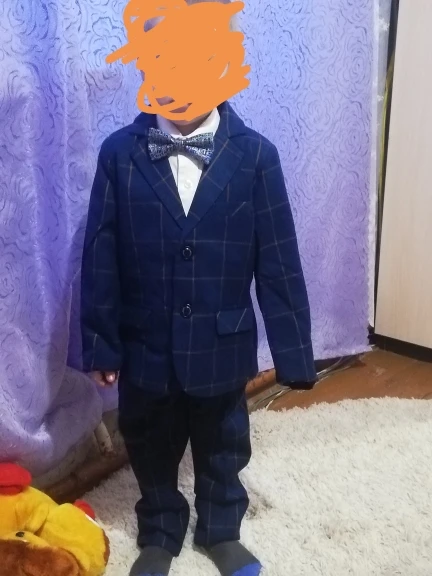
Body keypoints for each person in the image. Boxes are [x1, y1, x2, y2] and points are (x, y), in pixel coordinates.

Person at [81, 1, 316, 575]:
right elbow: (100, 258)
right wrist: (101, 344)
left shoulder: (256, 156)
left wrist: (294, 355)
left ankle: (220, 528)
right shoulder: (119, 155)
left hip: (222, 343)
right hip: (146, 346)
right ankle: (160, 529)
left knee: (224, 442)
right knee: (148, 440)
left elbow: (279, 263)